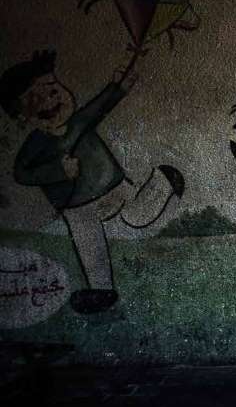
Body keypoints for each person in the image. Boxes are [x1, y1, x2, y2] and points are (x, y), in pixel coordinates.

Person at [2, 50, 184, 314]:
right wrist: (58, 171)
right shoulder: (36, 145)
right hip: (77, 208)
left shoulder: (79, 122)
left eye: (53, 91)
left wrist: (118, 87)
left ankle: (160, 190)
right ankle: (101, 290)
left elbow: (99, 107)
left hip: (113, 187)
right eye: (35, 100)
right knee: (90, 245)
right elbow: (22, 173)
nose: (49, 102)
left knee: (132, 215)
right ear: (21, 116)